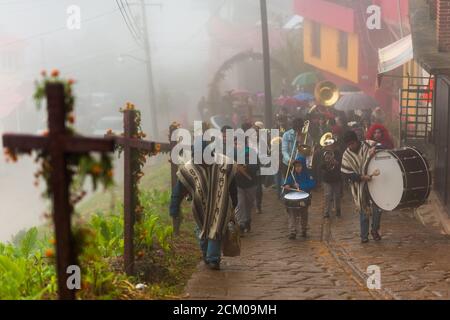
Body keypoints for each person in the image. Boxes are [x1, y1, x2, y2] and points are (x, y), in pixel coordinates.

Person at [169, 140, 238, 270]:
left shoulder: (224, 164)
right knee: (201, 231)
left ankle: (213, 258)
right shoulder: (190, 168)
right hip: (201, 207)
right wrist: (174, 206)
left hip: (220, 204)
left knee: (216, 229)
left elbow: (232, 185)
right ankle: (206, 253)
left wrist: (234, 201)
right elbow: (179, 190)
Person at [341, 130, 381, 243]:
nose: (350, 146)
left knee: (377, 208)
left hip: (374, 183)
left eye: (352, 143)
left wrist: (376, 149)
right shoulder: (346, 154)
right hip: (359, 186)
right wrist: (361, 177)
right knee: (364, 210)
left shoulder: (368, 144)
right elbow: (346, 173)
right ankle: (364, 235)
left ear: (356, 141)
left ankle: (375, 230)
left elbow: (383, 147)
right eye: (348, 144)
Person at [283, 156, 316, 239]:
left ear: (303, 166)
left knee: (304, 214)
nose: (297, 168)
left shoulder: (308, 175)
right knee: (292, 214)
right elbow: (288, 182)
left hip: (304, 198)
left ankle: (303, 229)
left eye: (299, 166)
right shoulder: (292, 175)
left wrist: (300, 186)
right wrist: (287, 185)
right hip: (293, 199)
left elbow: (312, 184)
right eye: (296, 166)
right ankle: (292, 231)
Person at [235, 122, 259, 233]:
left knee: (249, 204)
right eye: (235, 143)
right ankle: (241, 223)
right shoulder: (232, 154)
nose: (237, 145)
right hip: (238, 184)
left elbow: (256, 166)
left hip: (250, 184)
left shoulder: (251, 152)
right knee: (240, 204)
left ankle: (247, 219)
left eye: (239, 143)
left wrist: (246, 167)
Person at [321, 141, 342, 218]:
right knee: (327, 195)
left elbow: (342, 163)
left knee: (337, 196)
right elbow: (321, 166)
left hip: (336, 178)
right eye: (327, 145)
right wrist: (326, 163)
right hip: (327, 179)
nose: (329, 146)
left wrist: (337, 163)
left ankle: (338, 210)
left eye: (330, 145)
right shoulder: (322, 153)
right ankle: (326, 212)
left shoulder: (337, 153)